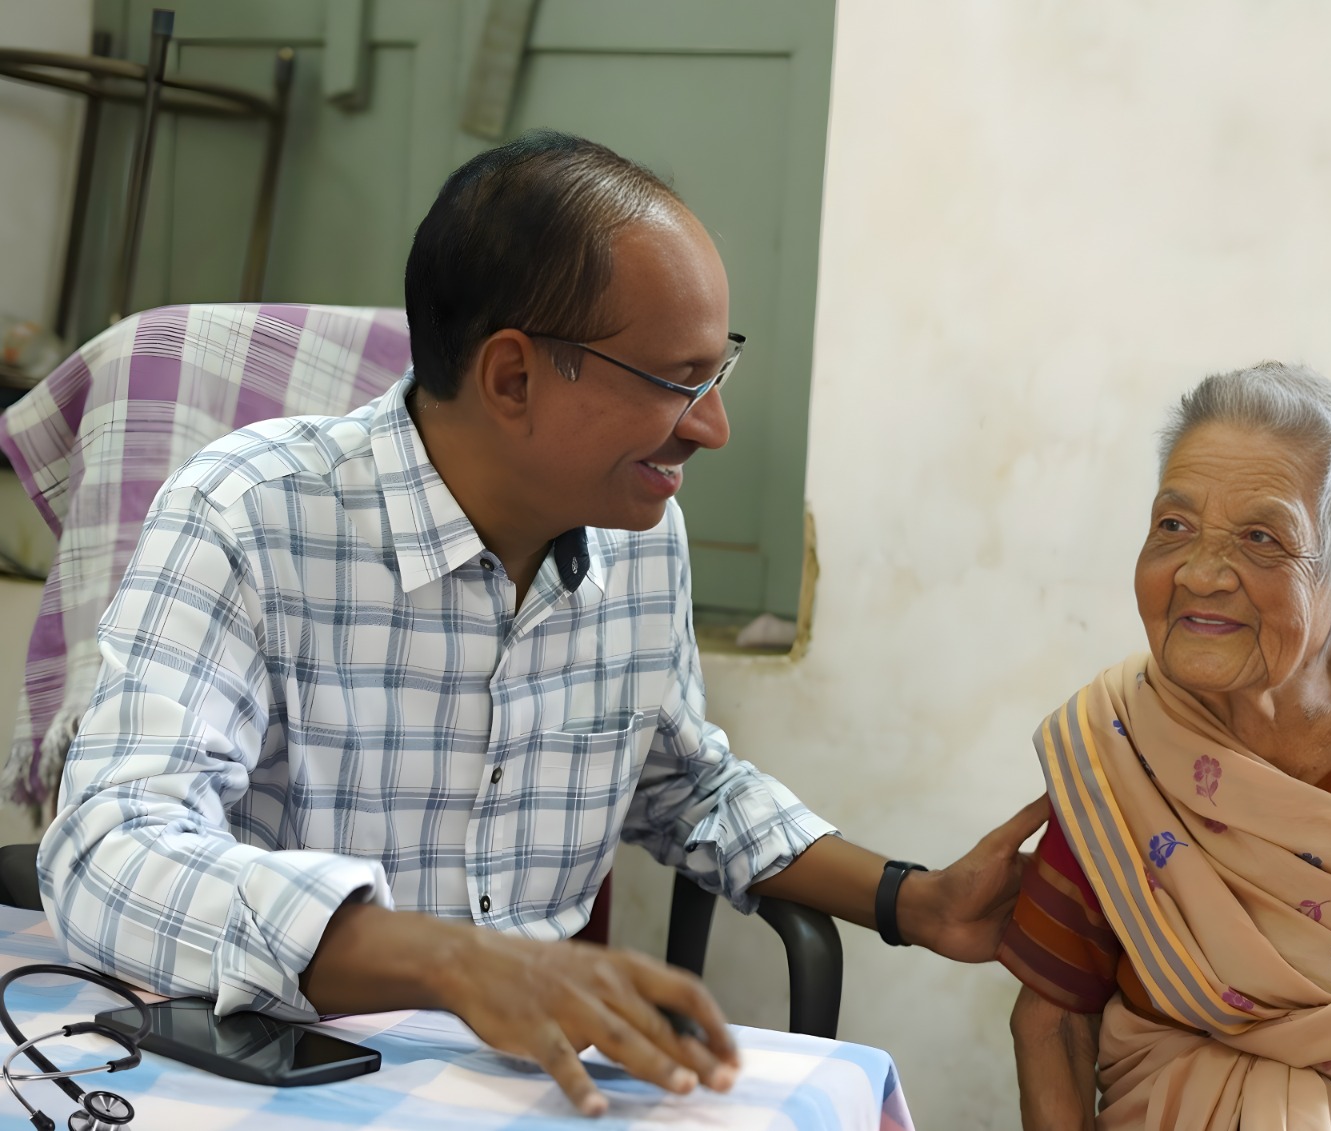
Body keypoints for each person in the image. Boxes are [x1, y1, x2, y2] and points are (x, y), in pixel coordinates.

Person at [38, 131, 1048, 1118]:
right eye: (673, 383)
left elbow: (684, 784)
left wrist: (914, 900)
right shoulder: (248, 516)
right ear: (513, 377)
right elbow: (106, 853)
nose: (711, 427)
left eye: (716, 374)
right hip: (292, 1068)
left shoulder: (642, 541)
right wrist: (456, 963)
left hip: (537, 1088)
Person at [1000, 363, 1331, 1130]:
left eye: (1261, 538)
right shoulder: (1118, 742)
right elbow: (1051, 1018)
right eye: (1173, 527)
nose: (1199, 572)